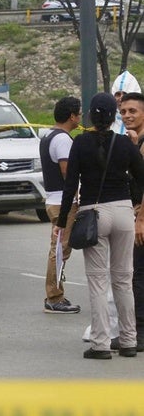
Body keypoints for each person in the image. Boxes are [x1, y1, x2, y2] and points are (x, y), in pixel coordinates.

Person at [56, 92, 144, 360]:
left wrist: (62, 225)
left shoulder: (80, 143)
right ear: (114, 115)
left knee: (97, 281)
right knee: (123, 279)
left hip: (93, 212)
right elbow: (142, 177)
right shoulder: (126, 143)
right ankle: (129, 340)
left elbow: (70, 187)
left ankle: (101, 343)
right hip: (123, 212)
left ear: (92, 115)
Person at [41, 97, 82, 314]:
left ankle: (56, 294)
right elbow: (68, 173)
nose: (80, 118)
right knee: (59, 250)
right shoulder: (64, 140)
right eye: (79, 114)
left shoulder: (48, 135)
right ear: (72, 116)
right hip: (62, 202)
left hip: (53, 199)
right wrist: (76, 197)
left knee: (59, 248)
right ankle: (54, 297)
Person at [120, 91, 144, 352]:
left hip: (141, 218)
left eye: (133, 111)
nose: (127, 115)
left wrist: (140, 220)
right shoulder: (135, 141)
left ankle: (139, 333)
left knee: (138, 276)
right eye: (124, 111)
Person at [111, 70, 141, 135]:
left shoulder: (140, 123)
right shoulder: (108, 121)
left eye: (125, 94)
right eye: (118, 94)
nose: (121, 98)